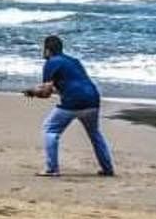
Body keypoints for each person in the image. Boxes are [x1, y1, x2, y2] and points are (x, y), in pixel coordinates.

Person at [24, 35, 114, 178]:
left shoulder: (51, 62)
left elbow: (47, 92)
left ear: (47, 50)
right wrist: (36, 91)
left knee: (50, 129)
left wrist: (34, 93)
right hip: (92, 99)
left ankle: (52, 168)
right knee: (95, 134)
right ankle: (107, 168)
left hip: (73, 102)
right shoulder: (73, 61)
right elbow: (65, 87)